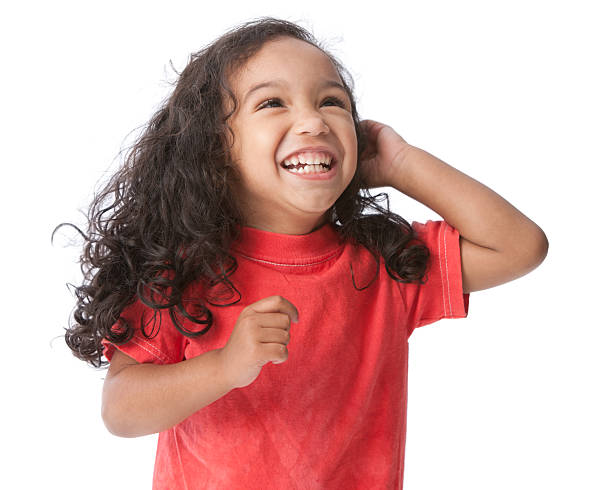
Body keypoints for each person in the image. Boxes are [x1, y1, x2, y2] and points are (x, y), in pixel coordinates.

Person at [57, 16, 548, 490]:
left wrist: (403, 163)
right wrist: (225, 367)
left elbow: (520, 247)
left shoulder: (384, 264)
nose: (313, 120)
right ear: (213, 148)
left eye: (332, 102)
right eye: (272, 102)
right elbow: (120, 410)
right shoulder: (180, 269)